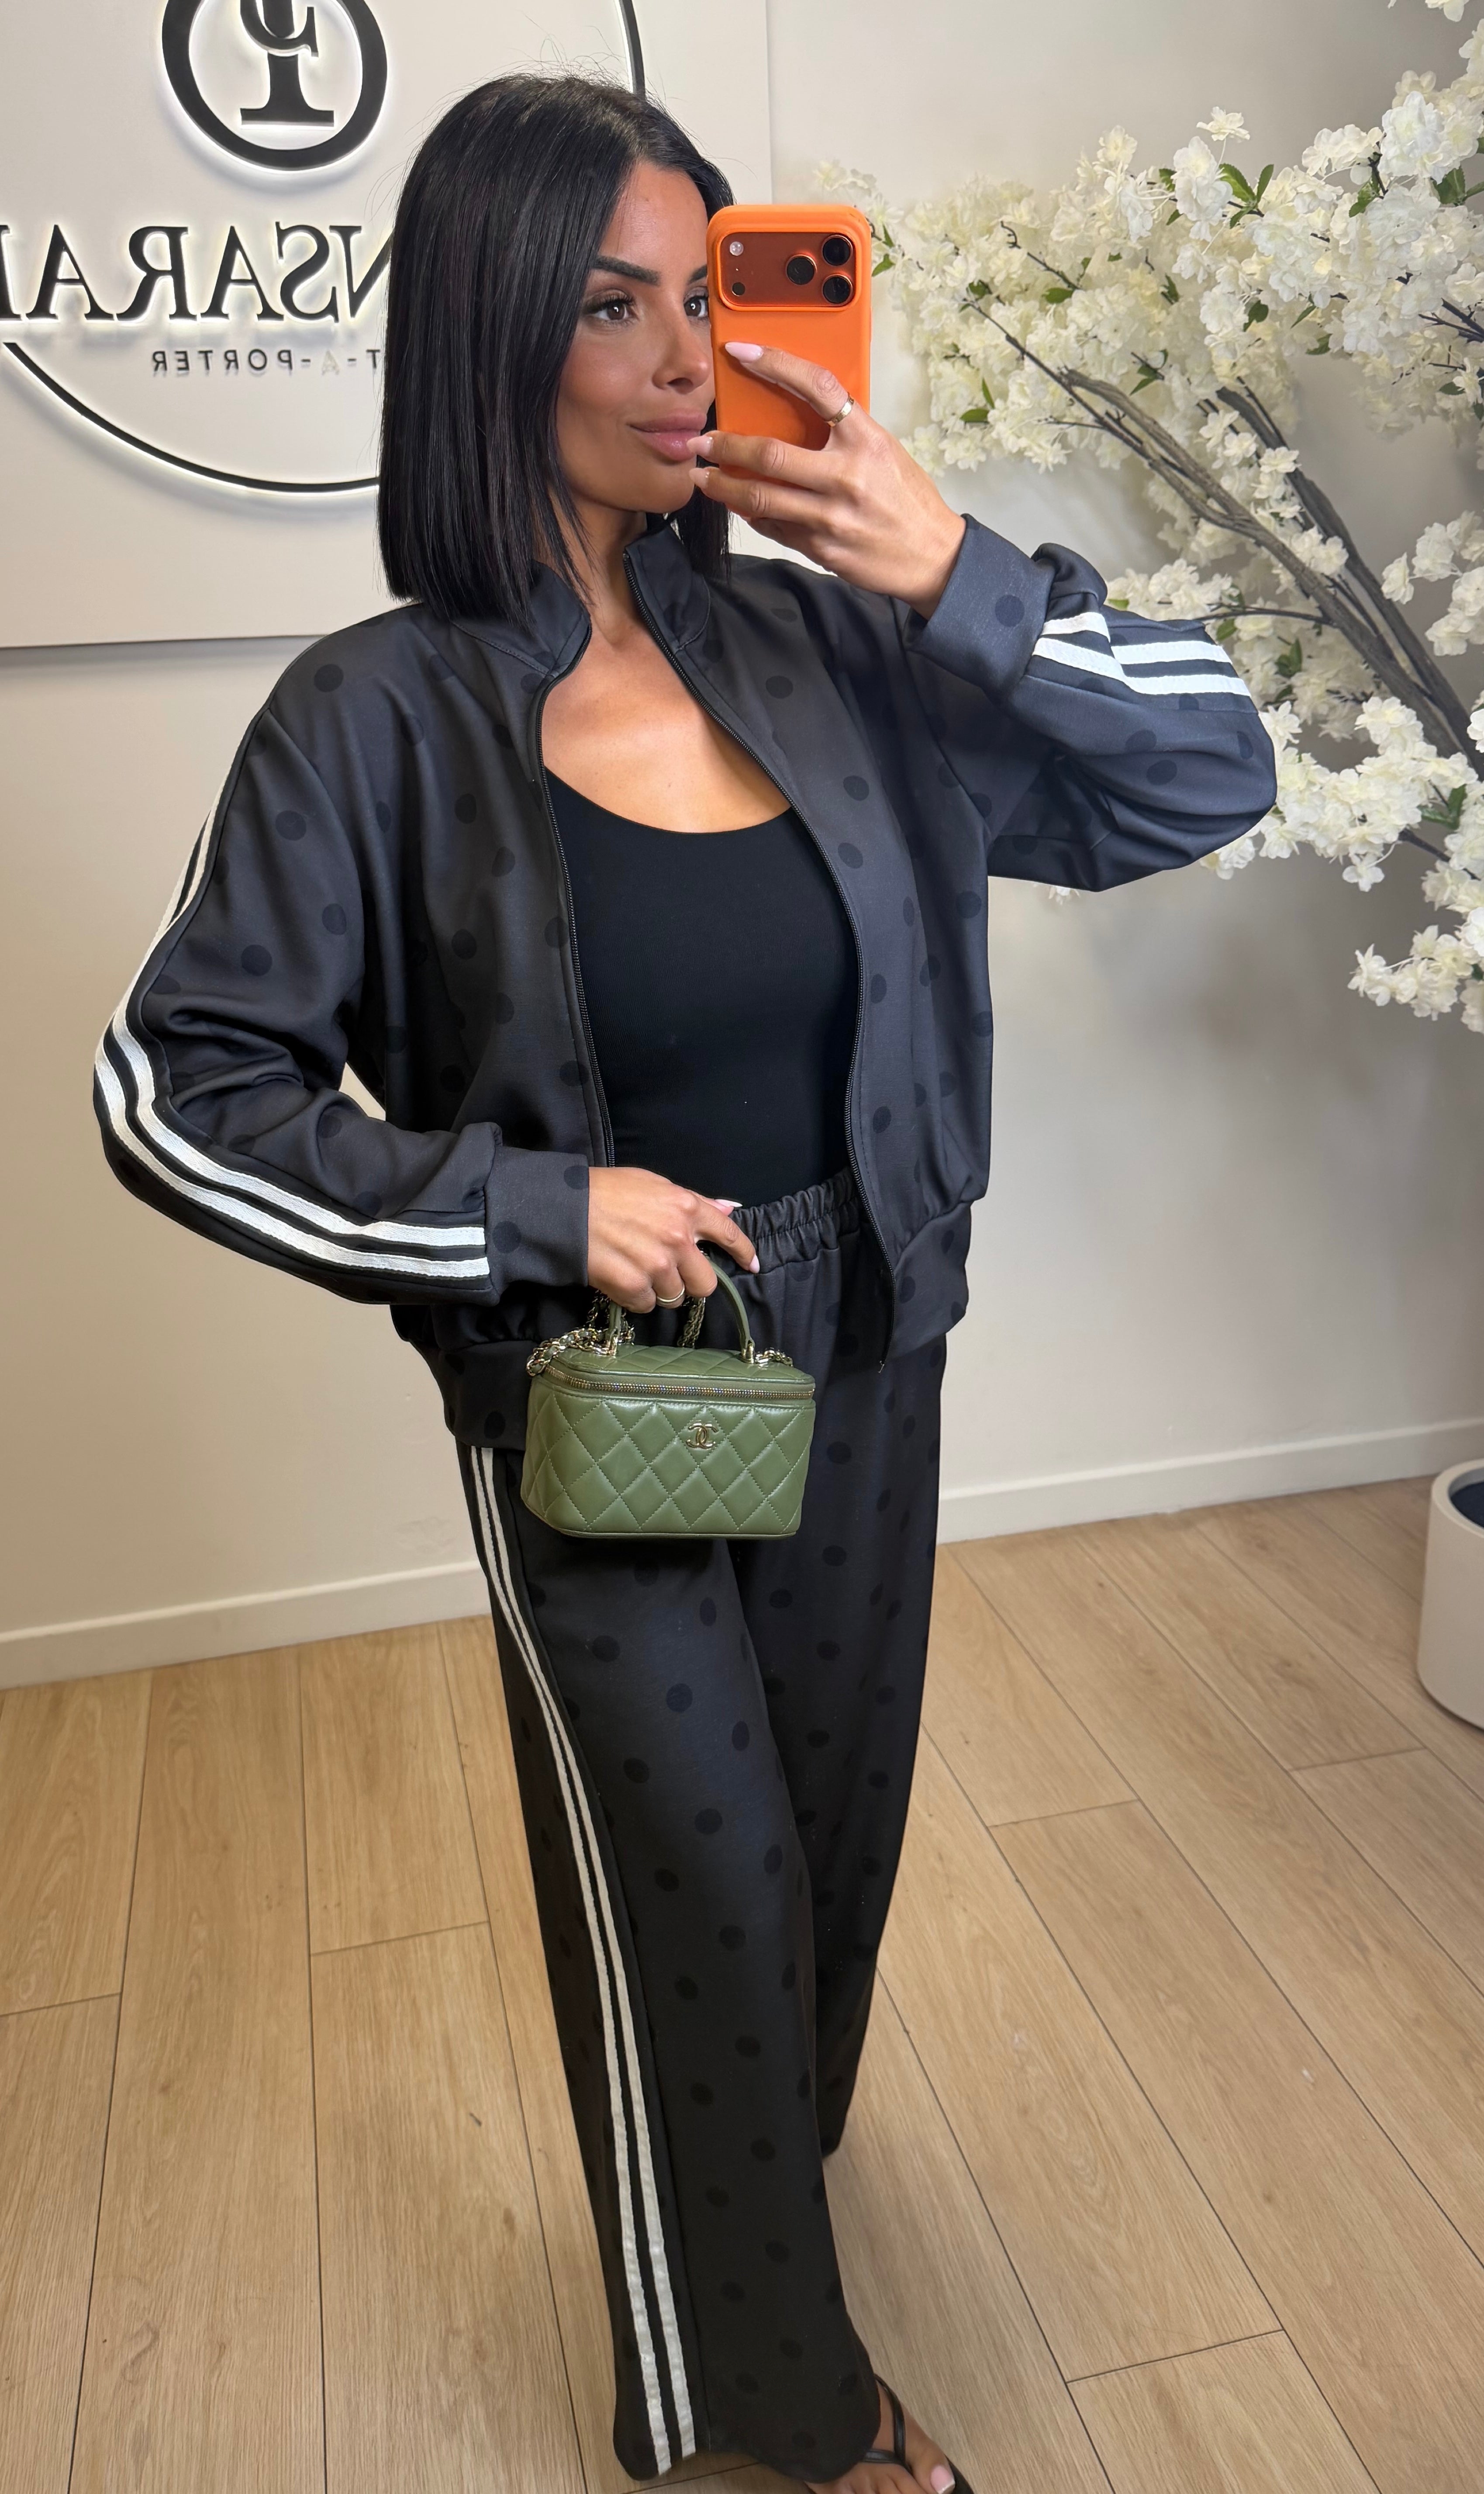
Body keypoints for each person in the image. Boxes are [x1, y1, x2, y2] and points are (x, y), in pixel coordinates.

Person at [93, 69, 1277, 2494]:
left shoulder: (837, 647)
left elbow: (1208, 772)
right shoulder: (378, 716)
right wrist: (531, 1213)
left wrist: (946, 562)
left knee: (816, 1867)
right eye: (608, 304)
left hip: (866, 1342)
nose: (676, 359)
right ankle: (775, 2409)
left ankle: (746, 2218)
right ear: (489, 332)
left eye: (705, 295)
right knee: (697, 1894)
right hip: (601, 1388)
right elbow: (171, 1089)